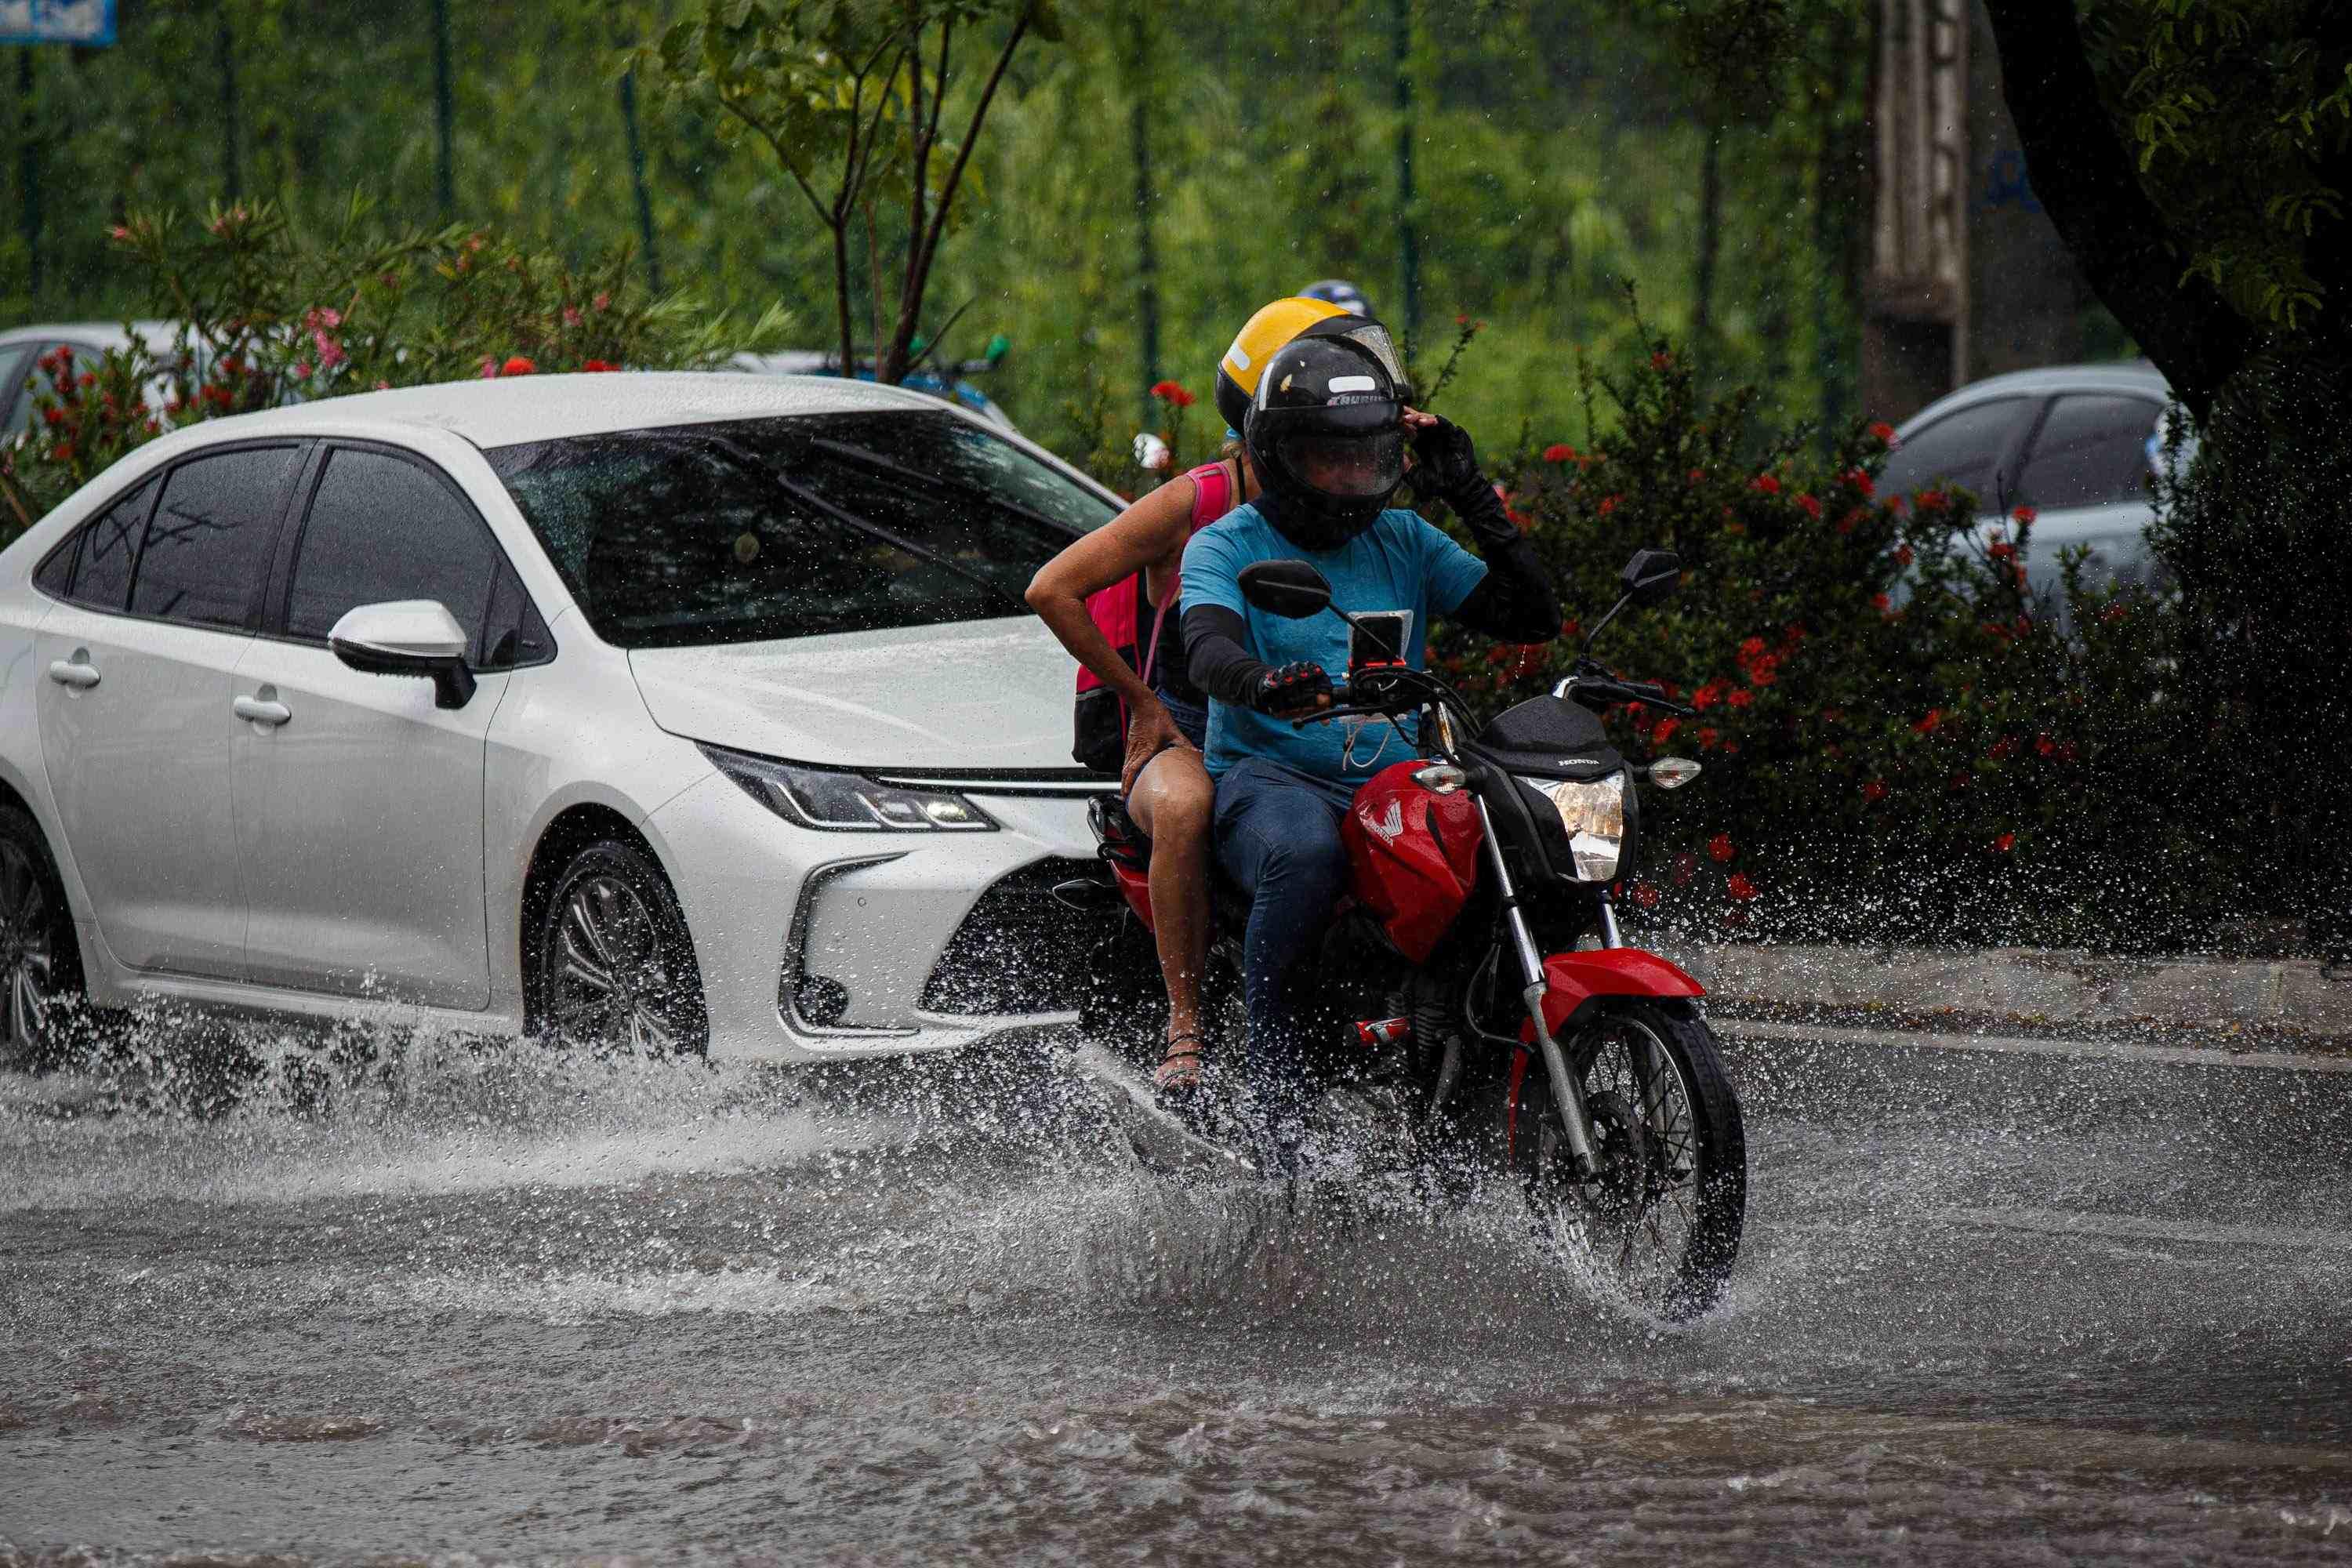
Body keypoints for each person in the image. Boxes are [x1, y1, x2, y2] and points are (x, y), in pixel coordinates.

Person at [1178, 332, 1560, 1148]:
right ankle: (1275, 1096)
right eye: (1330, 457)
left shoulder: (1407, 541)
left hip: (1404, 784)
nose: (1355, 478)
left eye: (1371, 456)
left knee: (1508, 852)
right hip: (1270, 777)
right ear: (1279, 456)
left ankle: (1468, 1067)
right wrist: (1260, 682)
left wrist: (1469, 492)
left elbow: (1532, 616)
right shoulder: (1226, 543)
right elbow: (1206, 646)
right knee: (1305, 853)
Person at [1026, 295, 1349, 1099]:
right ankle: (1187, 1022)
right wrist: (1142, 702)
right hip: (1191, 729)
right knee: (1182, 808)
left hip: (1306, 724)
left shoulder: (1346, 502)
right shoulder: (1198, 501)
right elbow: (1052, 587)